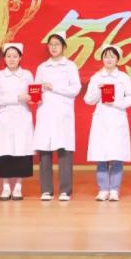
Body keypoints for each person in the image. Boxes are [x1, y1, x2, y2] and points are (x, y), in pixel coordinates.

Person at [34, 31, 82, 201]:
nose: (53, 48)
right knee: (45, 152)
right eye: (51, 45)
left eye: (57, 44)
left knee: (64, 152)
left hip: (63, 114)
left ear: (63, 47)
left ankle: (65, 190)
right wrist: (35, 95)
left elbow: (75, 89)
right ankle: (46, 190)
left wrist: (54, 87)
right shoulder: (42, 67)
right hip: (45, 112)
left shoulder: (70, 66)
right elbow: (36, 89)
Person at [84, 45, 131, 202]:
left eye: (112, 56)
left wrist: (117, 103)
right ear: (102, 59)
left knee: (117, 155)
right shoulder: (96, 77)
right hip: (101, 119)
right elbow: (88, 100)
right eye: (106, 56)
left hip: (117, 118)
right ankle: (103, 189)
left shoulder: (123, 78)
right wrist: (97, 90)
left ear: (118, 59)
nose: (109, 59)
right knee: (101, 155)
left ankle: (114, 189)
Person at [0, 43, 35, 201]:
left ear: (20, 58)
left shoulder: (27, 75)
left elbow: (32, 94)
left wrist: (32, 98)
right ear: (4, 58)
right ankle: (5, 187)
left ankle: (18, 186)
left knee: (21, 151)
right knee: (5, 151)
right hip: (4, 118)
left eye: (15, 56)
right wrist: (18, 98)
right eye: (8, 56)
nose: (11, 59)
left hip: (22, 116)